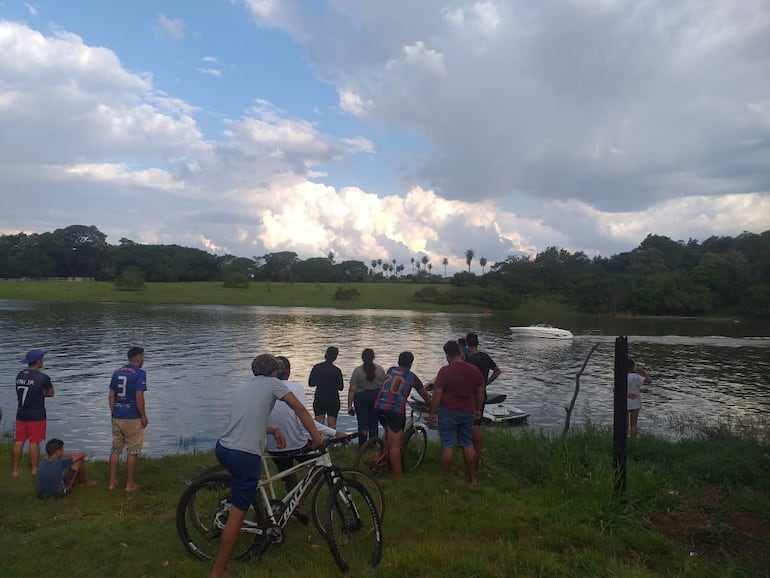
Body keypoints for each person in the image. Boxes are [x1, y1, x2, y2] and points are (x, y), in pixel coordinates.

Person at [210, 353, 322, 578]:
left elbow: (247, 419)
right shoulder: (274, 384)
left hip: (224, 448)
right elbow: (299, 409)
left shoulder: (244, 386)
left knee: (245, 490)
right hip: (245, 454)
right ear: (275, 372)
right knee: (237, 515)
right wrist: (316, 438)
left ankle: (259, 516)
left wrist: (273, 430)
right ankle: (219, 571)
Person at [267, 356, 340, 500]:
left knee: (288, 475)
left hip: (274, 447)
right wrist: (334, 432)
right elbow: (303, 420)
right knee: (321, 465)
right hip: (296, 445)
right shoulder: (296, 388)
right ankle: (297, 502)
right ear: (288, 372)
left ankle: (292, 504)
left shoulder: (265, 389)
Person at [429, 340, 485, 484]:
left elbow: (437, 394)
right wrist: (478, 409)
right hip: (468, 412)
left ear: (447, 355)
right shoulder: (474, 370)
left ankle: (445, 478)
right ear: (460, 353)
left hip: (448, 412)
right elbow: (480, 392)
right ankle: (472, 478)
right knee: (467, 443)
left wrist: (433, 412)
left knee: (447, 444)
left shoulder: (445, 371)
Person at [373, 351, 432, 479]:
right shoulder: (412, 377)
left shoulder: (390, 370)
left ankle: (376, 462)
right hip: (395, 410)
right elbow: (424, 395)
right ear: (411, 364)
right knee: (395, 445)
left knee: (387, 432)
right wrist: (432, 405)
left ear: (398, 361)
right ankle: (398, 476)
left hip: (378, 406)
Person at [108, 346, 148, 492]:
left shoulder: (117, 372)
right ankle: (129, 484)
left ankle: (112, 482)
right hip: (132, 417)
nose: (144, 359)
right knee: (133, 450)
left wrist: (113, 411)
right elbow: (139, 396)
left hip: (117, 415)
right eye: (143, 357)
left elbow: (111, 394)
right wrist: (143, 415)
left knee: (115, 449)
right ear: (138, 358)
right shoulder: (140, 373)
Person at [13, 348, 55, 477]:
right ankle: (34, 469)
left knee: (19, 441)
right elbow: (51, 393)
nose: (43, 361)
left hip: (21, 414)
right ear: (37, 361)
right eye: (41, 359)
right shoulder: (43, 378)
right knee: (34, 442)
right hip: (36, 415)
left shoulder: (19, 376)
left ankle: (15, 469)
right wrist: (42, 393)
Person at [465, 332, 501, 467]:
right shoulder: (485, 357)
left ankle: (468, 451)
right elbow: (497, 370)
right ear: (477, 343)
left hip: (469, 394)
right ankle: (478, 454)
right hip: (482, 393)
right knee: (477, 423)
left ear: (467, 344)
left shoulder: (468, 359)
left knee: (468, 423)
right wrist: (487, 382)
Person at [347, 348, 386, 445]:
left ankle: (362, 445)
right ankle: (373, 443)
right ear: (373, 357)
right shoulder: (380, 369)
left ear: (362, 358)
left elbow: (352, 389)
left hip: (361, 398)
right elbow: (383, 387)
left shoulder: (357, 371)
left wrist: (349, 405)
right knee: (374, 422)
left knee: (362, 423)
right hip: (376, 397)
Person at [308, 346, 344, 428]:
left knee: (319, 425)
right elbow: (341, 387)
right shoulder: (337, 370)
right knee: (332, 425)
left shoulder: (316, 368)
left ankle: (319, 440)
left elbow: (311, 383)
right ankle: (332, 440)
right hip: (333, 398)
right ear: (335, 357)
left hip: (320, 398)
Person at [627, 358, 652, 438]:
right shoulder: (636, 377)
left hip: (623, 402)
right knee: (633, 424)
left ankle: (623, 440)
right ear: (632, 367)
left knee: (624, 423)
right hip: (635, 402)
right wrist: (643, 372)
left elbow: (615, 390)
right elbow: (648, 381)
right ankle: (633, 441)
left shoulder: (620, 376)